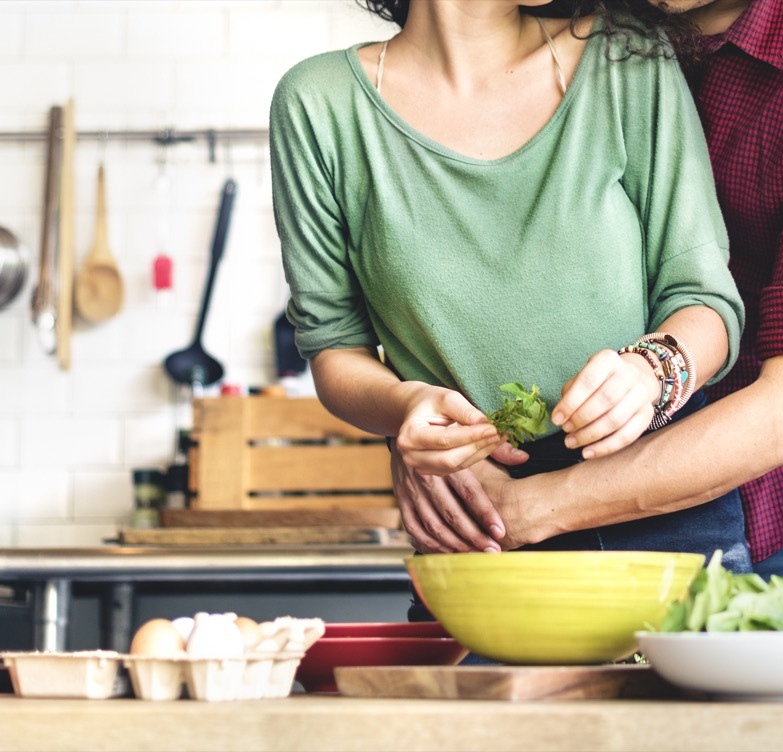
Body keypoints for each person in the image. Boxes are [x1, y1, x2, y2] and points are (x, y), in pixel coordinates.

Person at [392, 0, 783, 597]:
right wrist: (420, 436)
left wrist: (522, 509)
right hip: (535, 481)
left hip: (777, 509)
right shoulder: (568, 12)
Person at [269, 0, 752, 573]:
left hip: (661, 511)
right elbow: (335, 350)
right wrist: (407, 408)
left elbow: (705, 299)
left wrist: (652, 372)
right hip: (476, 524)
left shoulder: (626, 55)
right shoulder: (317, 103)